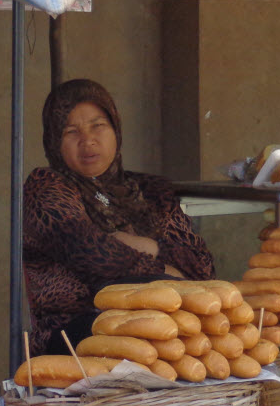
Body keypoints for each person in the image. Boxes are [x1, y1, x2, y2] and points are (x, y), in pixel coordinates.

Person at [23, 78, 216, 356]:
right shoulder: (46, 186)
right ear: (54, 141)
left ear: (115, 129)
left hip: (161, 322)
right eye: (71, 131)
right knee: (166, 336)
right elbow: (91, 254)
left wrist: (149, 247)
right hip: (74, 333)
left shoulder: (152, 191)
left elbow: (202, 267)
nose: (87, 140)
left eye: (98, 126)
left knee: (200, 334)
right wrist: (170, 275)